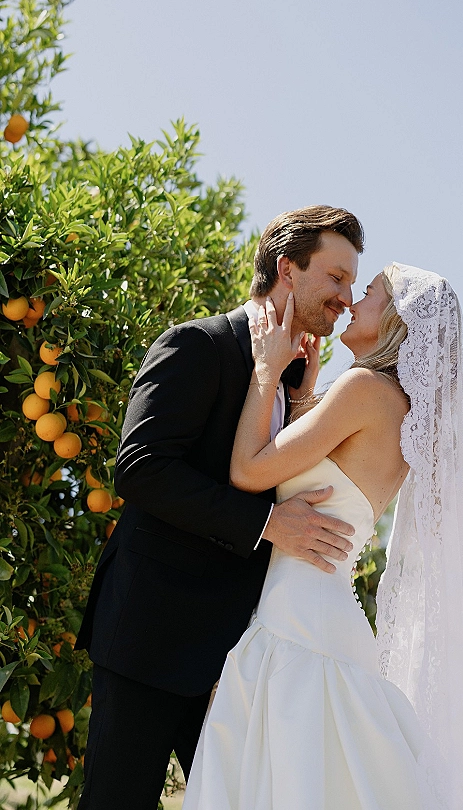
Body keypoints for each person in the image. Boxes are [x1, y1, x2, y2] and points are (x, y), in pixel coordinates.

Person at [183, 263, 463, 810]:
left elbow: (247, 471)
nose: (355, 301)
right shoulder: (401, 412)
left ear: (395, 322)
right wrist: (307, 396)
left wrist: (266, 370)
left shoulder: (362, 388)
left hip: (298, 619)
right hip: (323, 613)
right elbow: (334, 473)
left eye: (372, 293)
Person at [75, 205, 365, 810]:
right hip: (151, 637)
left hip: (239, 658)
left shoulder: (293, 380)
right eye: (336, 277)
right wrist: (264, 523)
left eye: (352, 282)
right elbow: (141, 466)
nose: (347, 296)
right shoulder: (197, 345)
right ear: (288, 270)